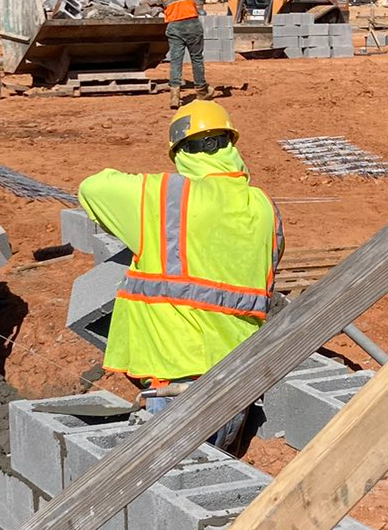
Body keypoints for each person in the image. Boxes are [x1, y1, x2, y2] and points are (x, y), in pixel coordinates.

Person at [78, 100, 282, 454]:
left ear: (180, 153)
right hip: (237, 381)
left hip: (176, 389)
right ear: (230, 145)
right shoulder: (264, 207)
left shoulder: (166, 196)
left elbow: (92, 187)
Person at [153, 0, 207, 108]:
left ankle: (175, 96)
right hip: (190, 20)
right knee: (196, 59)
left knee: (176, 61)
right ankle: (201, 91)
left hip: (173, 24)